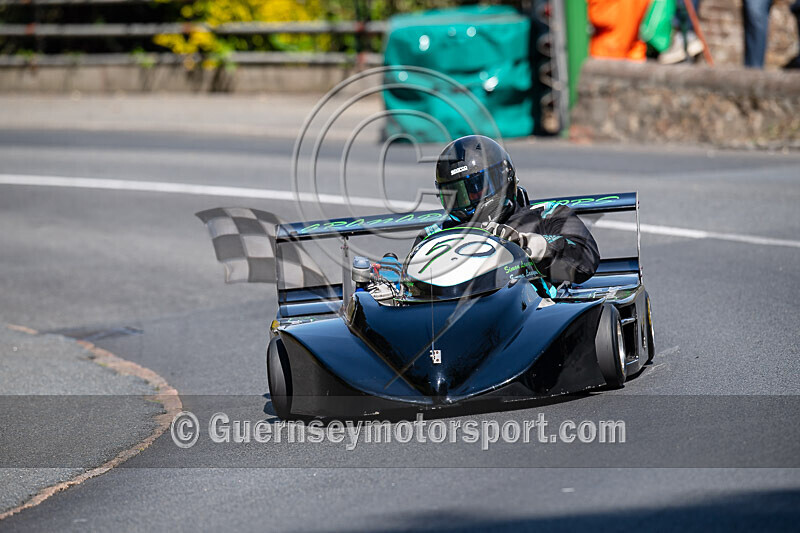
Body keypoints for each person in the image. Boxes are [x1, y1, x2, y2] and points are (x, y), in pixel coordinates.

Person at [415, 135, 600, 289]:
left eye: (475, 190)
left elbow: (585, 260)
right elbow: (415, 285)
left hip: (530, 319)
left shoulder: (546, 216)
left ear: (503, 177)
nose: (467, 204)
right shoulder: (436, 235)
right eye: (457, 196)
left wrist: (534, 246)